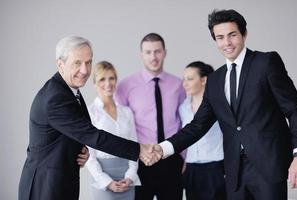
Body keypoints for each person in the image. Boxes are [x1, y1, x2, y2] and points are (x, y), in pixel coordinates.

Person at [148, 9, 297, 200]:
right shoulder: (215, 80)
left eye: (232, 35)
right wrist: (163, 148)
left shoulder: (266, 63)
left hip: (268, 167)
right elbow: (197, 126)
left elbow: (294, 109)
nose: (227, 43)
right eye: (220, 37)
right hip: (234, 172)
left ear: (244, 34)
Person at [18, 36, 156, 200]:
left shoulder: (69, 90)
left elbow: (71, 132)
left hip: (59, 182)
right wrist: (139, 149)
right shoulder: (55, 97)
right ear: (60, 64)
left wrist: (79, 149)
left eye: (88, 62)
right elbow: (93, 135)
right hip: (45, 187)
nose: (85, 70)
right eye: (77, 63)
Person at [115, 33, 186, 200]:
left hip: (171, 158)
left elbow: (185, 121)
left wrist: (184, 157)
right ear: (141, 55)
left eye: (157, 51)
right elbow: (122, 124)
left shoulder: (179, 85)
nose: (153, 57)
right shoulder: (125, 86)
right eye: (148, 52)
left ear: (165, 53)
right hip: (141, 159)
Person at [86, 61, 141, 200]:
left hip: (126, 178)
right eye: (102, 79)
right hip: (102, 178)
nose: (108, 83)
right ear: (94, 83)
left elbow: (134, 145)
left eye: (111, 78)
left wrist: (130, 176)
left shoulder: (126, 112)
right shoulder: (90, 113)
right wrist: (107, 182)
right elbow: (89, 155)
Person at [180, 61, 225, 200]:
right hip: (192, 168)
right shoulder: (183, 107)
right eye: (184, 79)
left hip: (215, 167)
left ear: (204, 80)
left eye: (190, 79)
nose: (185, 83)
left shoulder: (219, 106)